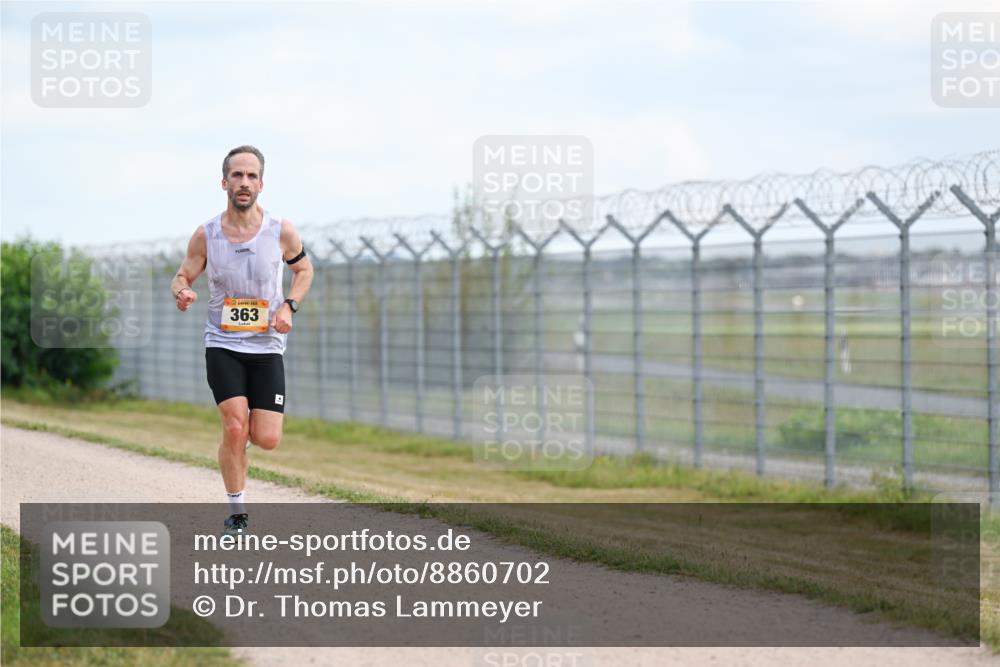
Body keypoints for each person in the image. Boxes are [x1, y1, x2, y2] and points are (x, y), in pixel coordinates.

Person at [170, 145, 314, 535]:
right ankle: (237, 513)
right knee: (234, 427)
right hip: (223, 343)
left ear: (262, 184)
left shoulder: (280, 230)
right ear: (224, 182)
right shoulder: (208, 234)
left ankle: (241, 448)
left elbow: (304, 271)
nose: (244, 182)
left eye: (252, 176)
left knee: (265, 438)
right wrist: (181, 291)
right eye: (237, 175)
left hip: (266, 346)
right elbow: (182, 275)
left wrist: (288, 307)